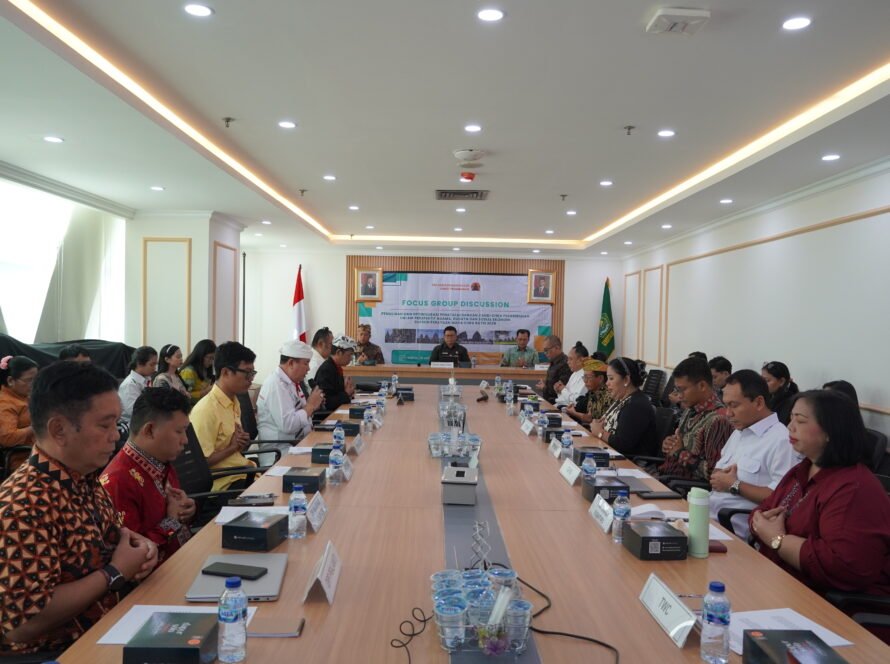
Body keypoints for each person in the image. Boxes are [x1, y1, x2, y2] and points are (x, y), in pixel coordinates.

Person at [0, 361, 158, 655]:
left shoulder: (84, 478)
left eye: (116, 424)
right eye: (104, 425)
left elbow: (107, 540)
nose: (116, 435)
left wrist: (140, 546)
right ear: (59, 430)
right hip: (63, 651)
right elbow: (24, 622)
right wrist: (115, 572)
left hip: (112, 626)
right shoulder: (22, 503)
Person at [750, 390, 890, 596]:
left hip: (828, 605)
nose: (790, 426)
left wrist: (777, 539)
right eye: (791, 419)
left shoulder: (854, 488)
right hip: (778, 582)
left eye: (801, 420)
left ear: (830, 431)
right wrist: (762, 525)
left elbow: (842, 565)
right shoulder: (801, 470)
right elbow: (761, 513)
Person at [99, 388, 195, 565]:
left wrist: (186, 510)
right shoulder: (118, 481)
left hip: (184, 559)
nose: (185, 440)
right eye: (179, 431)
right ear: (150, 430)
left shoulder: (161, 462)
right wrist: (172, 521)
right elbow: (133, 556)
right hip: (160, 581)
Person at [708, 370, 794, 539]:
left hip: (733, 531)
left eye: (734, 405)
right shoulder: (739, 431)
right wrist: (720, 478)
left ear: (759, 403)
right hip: (708, 517)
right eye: (726, 405)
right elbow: (716, 476)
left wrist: (735, 485)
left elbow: (782, 499)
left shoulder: (781, 441)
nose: (728, 413)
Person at [189, 342, 256, 492]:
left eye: (253, 373)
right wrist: (233, 448)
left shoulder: (233, 401)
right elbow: (200, 464)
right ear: (225, 372)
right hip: (225, 484)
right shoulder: (206, 410)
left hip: (242, 472)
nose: (251, 379)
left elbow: (232, 447)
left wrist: (240, 443)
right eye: (247, 373)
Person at [655, 357, 733, 483]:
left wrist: (680, 452)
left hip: (685, 491)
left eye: (683, 389)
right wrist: (669, 446)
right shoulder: (690, 409)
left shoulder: (718, 420)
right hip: (665, 478)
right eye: (677, 390)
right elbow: (678, 446)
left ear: (702, 385)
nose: (679, 396)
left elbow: (713, 473)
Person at [256, 340, 325, 445]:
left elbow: (301, 413)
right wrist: (310, 406)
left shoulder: (292, 382)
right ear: (291, 363)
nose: (308, 368)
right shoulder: (275, 385)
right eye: (306, 363)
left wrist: (315, 406)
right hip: (282, 451)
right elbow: (288, 425)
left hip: (301, 442)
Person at [588, 357, 658, 456]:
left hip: (632, 465)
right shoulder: (622, 399)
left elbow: (623, 444)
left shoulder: (636, 405)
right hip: (610, 454)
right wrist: (597, 425)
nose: (607, 383)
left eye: (611, 378)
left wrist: (599, 432)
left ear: (626, 379)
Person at [0, 356, 39, 471]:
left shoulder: (23, 396)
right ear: (11, 381)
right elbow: (8, 438)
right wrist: (35, 427)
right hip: (23, 460)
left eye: (36, 379)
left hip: (37, 452)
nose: (34, 384)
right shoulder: (5, 403)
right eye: (29, 380)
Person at [314, 335, 358, 410]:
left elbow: (335, 393)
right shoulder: (326, 370)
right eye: (349, 355)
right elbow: (327, 403)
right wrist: (346, 393)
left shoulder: (335, 367)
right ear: (339, 352)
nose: (351, 359)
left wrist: (346, 390)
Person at [565, 358, 613, 425]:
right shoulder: (593, 392)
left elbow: (591, 419)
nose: (585, 381)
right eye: (584, 377)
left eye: (588, 377)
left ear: (600, 378)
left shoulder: (608, 395)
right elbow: (588, 416)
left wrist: (574, 413)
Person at [118, 346, 157, 426]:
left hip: (146, 421)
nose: (155, 368)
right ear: (139, 364)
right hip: (132, 425)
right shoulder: (129, 384)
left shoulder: (146, 380)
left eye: (156, 364)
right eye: (152, 365)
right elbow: (135, 411)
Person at [761, 361, 799, 425]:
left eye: (767, 380)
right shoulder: (767, 398)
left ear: (781, 381)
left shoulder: (789, 403)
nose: (762, 384)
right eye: (761, 380)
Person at [536, 335, 571, 402]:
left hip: (557, 404)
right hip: (548, 401)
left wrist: (544, 388)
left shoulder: (565, 364)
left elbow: (559, 389)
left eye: (546, 350)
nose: (545, 353)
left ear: (557, 348)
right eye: (544, 350)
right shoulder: (553, 362)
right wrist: (545, 385)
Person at [553, 342, 589, 407]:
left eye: (570, 359)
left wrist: (563, 390)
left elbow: (576, 401)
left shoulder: (586, 376)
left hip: (571, 412)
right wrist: (559, 390)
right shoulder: (574, 373)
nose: (568, 362)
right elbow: (563, 398)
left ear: (580, 360)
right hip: (561, 406)